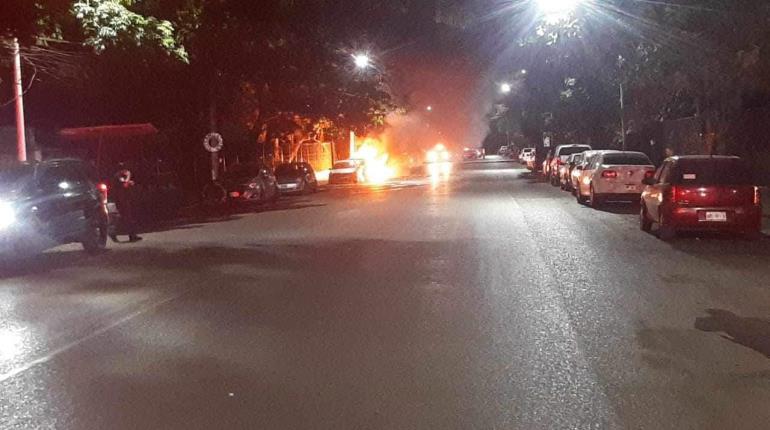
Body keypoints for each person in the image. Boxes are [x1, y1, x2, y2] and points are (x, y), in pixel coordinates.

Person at [110, 164, 142, 243]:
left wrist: (129, 182)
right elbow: (124, 184)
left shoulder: (120, 176)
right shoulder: (118, 176)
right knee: (126, 217)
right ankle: (114, 232)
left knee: (127, 217)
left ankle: (131, 235)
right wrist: (129, 176)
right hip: (121, 200)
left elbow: (125, 183)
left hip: (125, 199)